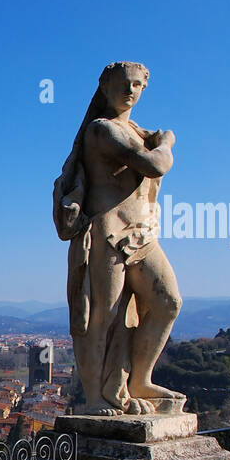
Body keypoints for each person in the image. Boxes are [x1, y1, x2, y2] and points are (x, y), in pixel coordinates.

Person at [52, 62, 186, 415]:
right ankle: (95, 397)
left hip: (143, 234)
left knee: (168, 302)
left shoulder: (139, 133)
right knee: (101, 317)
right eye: (123, 84)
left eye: (138, 85)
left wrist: (156, 143)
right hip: (107, 234)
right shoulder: (101, 131)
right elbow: (154, 165)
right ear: (105, 87)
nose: (130, 90)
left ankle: (139, 379)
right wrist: (168, 142)